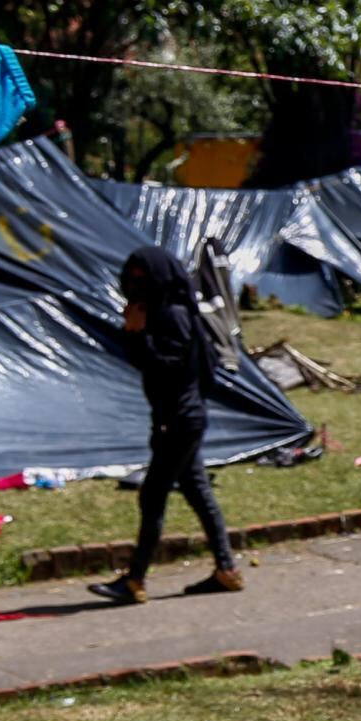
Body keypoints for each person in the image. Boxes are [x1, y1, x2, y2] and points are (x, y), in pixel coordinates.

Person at [91, 244, 243, 604]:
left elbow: (166, 367)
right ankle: (226, 570)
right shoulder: (164, 312)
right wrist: (134, 333)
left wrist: (137, 334)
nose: (135, 286)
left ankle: (135, 579)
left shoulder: (173, 315)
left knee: (153, 495)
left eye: (142, 279)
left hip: (179, 420)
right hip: (180, 418)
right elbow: (148, 363)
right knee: (198, 492)